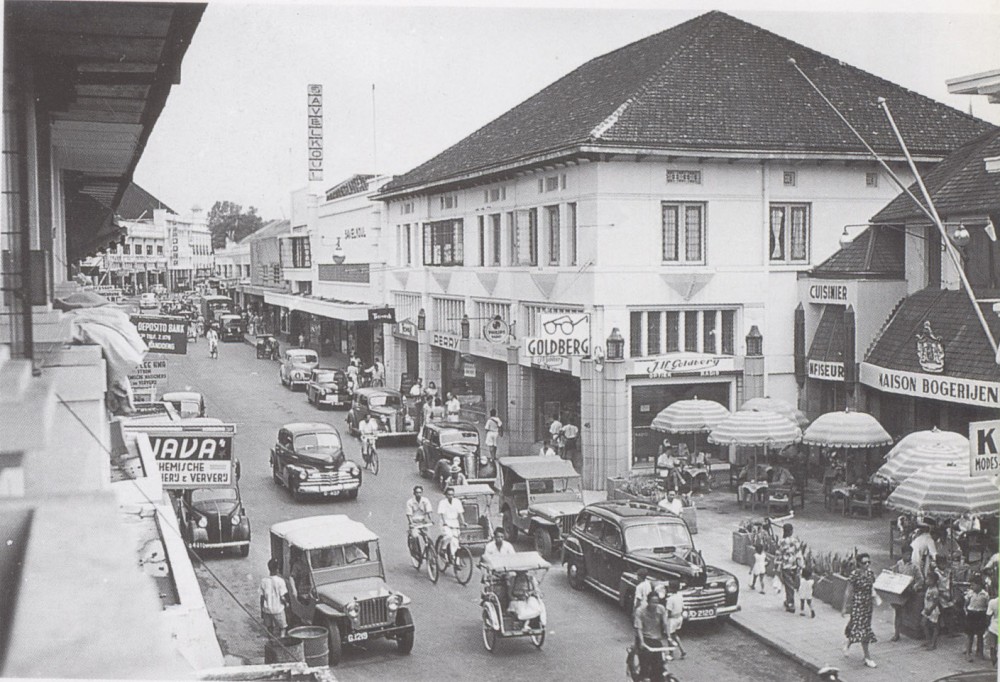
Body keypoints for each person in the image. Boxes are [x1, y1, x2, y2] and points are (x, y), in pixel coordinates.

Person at [842, 552, 878, 668]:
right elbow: (848, 591)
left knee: (860, 627)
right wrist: (844, 607)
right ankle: (867, 657)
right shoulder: (854, 575)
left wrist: (876, 598)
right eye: (864, 563)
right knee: (863, 630)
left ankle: (848, 644)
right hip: (858, 604)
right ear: (859, 564)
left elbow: (873, 586)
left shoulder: (870, 573)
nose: (867, 564)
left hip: (868, 605)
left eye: (869, 562)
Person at [633, 591, 670, 682]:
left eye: (657, 602)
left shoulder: (661, 609)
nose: (655, 605)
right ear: (648, 602)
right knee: (645, 666)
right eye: (653, 602)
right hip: (644, 639)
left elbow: (665, 624)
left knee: (659, 667)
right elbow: (639, 629)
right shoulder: (640, 611)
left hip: (656, 639)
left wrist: (669, 637)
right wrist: (641, 641)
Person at [890, 545, 924, 641]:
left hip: (909, 592)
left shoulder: (914, 566)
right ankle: (896, 633)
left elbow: (920, 579)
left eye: (910, 554)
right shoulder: (898, 564)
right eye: (907, 554)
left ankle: (911, 631)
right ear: (903, 554)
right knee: (898, 612)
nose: (908, 556)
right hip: (899, 591)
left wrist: (915, 586)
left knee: (910, 612)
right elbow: (894, 575)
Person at [776, 523, 803, 614]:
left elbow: (779, 555)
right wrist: (800, 565)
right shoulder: (795, 541)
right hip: (794, 566)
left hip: (786, 566)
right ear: (791, 531)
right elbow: (799, 554)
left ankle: (791, 604)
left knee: (788, 585)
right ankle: (788, 601)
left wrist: (777, 566)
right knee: (791, 585)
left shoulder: (781, 542)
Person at [259, 558, 290, 637]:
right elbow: (282, 597)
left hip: (267, 609)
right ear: (277, 569)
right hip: (278, 609)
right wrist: (286, 604)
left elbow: (262, 598)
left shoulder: (264, 581)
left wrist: (262, 610)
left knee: (269, 628)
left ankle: (271, 641)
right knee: (283, 628)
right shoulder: (280, 581)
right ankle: (282, 639)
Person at [964, 575, 990, 662]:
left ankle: (980, 652)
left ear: (979, 585)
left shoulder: (985, 594)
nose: (972, 587)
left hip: (980, 615)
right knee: (970, 635)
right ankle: (968, 653)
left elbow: (987, 605)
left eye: (973, 585)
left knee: (980, 635)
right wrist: (966, 611)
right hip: (971, 614)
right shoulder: (970, 593)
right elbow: (966, 603)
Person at [437, 486, 466, 562]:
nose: (450, 496)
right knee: (449, 535)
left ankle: (455, 559)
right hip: (445, 522)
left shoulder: (457, 502)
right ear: (446, 495)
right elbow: (442, 514)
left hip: (455, 522)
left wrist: (463, 522)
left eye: (452, 494)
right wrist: (445, 523)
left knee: (455, 541)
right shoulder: (442, 502)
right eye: (449, 494)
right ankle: (443, 549)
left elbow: (460, 513)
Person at [663, 583, 687, 660]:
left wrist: (666, 620)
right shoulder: (680, 596)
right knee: (675, 635)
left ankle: (671, 654)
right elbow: (683, 607)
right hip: (679, 618)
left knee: (669, 637)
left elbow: (669, 612)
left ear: (671, 588)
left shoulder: (670, 599)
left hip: (672, 620)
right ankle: (682, 650)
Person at [922, 571, 944, 650]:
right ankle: (928, 639)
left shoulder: (935, 590)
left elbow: (935, 602)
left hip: (932, 610)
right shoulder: (928, 588)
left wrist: (930, 610)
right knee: (924, 624)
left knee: (935, 627)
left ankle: (933, 643)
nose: (927, 581)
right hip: (927, 608)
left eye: (929, 579)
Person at [986, 592, 998, 667]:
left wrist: (987, 625)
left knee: (992, 646)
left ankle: (994, 663)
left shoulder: (993, 602)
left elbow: (988, 615)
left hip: (994, 627)